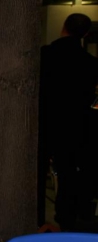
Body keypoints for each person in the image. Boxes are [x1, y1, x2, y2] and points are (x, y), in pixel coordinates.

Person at [39, 13, 98, 230]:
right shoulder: (90, 62)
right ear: (85, 34)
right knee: (68, 173)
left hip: (45, 120)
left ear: (63, 27)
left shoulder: (45, 54)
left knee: (38, 171)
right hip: (75, 124)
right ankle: (66, 218)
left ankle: (36, 217)